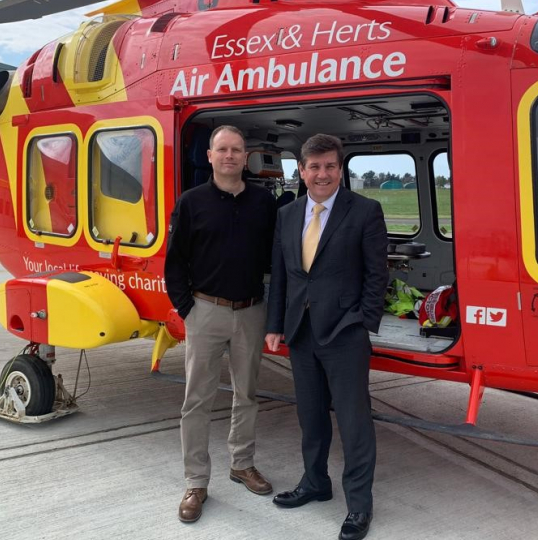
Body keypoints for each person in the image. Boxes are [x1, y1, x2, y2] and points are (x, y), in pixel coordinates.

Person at [265, 134, 388, 540]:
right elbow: (282, 274)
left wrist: (362, 322)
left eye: (330, 166)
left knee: (354, 424)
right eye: (314, 167)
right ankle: (315, 482)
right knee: (310, 418)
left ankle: (358, 506)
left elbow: (377, 275)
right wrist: (274, 324)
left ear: (340, 169)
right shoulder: (288, 214)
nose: (322, 174)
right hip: (300, 333)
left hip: (345, 333)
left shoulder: (366, 211)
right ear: (301, 170)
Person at [164, 125, 277, 523]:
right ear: (209, 156)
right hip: (205, 311)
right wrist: (187, 308)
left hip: (250, 311)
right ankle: (196, 481)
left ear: (246, 158)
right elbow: (174, 262)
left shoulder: (264, 203)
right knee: (197, 400)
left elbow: (274, 261)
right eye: (222, 149)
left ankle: (241, 463)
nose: (230, 156)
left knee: (246, 393)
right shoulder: (192, 202)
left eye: (237, 150)